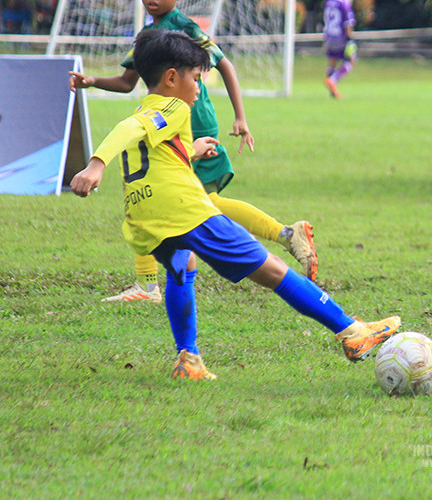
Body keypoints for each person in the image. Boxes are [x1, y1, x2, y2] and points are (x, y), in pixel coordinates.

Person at [69, 30, 400, 379]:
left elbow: (149, 143)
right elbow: (129, 128)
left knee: (182, 267)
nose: (199, 88)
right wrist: (96, 163)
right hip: (185, 211)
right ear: (171, 78)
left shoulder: (151, 108)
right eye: (196, 79)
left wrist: (190, 151)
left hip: (145, 219)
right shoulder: (174, 106)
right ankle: (352, 332)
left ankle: (189, 359)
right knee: (272, 268)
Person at [69, 0, 318, 303]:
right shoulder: (148, 34)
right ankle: (285, 233)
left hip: (190, 124)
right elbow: (127, 82)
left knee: (157, 197)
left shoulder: (185, 28)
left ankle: (149, 285)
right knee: (202, 201)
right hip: (163, 121)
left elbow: (225, 65)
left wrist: (240, 117)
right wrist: (91, 80)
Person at [323, 0, 357, 99]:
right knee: (351, 59)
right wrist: (350, 39)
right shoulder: (343, 1)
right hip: (340, 36)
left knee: (332, 60)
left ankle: (332, 89)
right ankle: (333, 80)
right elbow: (348, 22)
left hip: (328, 36)